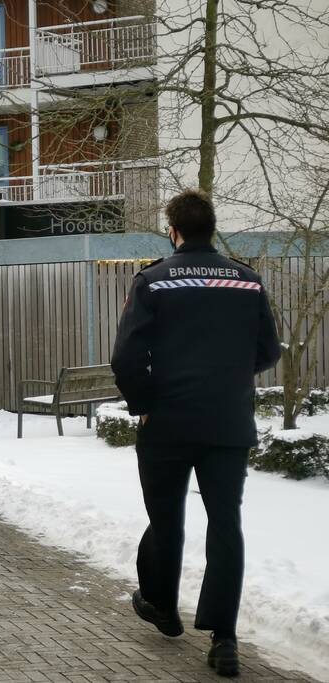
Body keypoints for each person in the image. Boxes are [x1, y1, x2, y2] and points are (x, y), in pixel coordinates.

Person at [111, 189, 281, 678]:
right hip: (228, 422)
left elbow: (125, 357)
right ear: (212, 228)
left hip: (167, 421)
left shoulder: (153, 280)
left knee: (166, 518)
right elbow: (269, 350)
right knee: (225, 524)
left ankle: (164, 607)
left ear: (174, 230)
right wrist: (228, 379)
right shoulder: (248, 282)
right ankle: (224, 639)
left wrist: (144, 403)